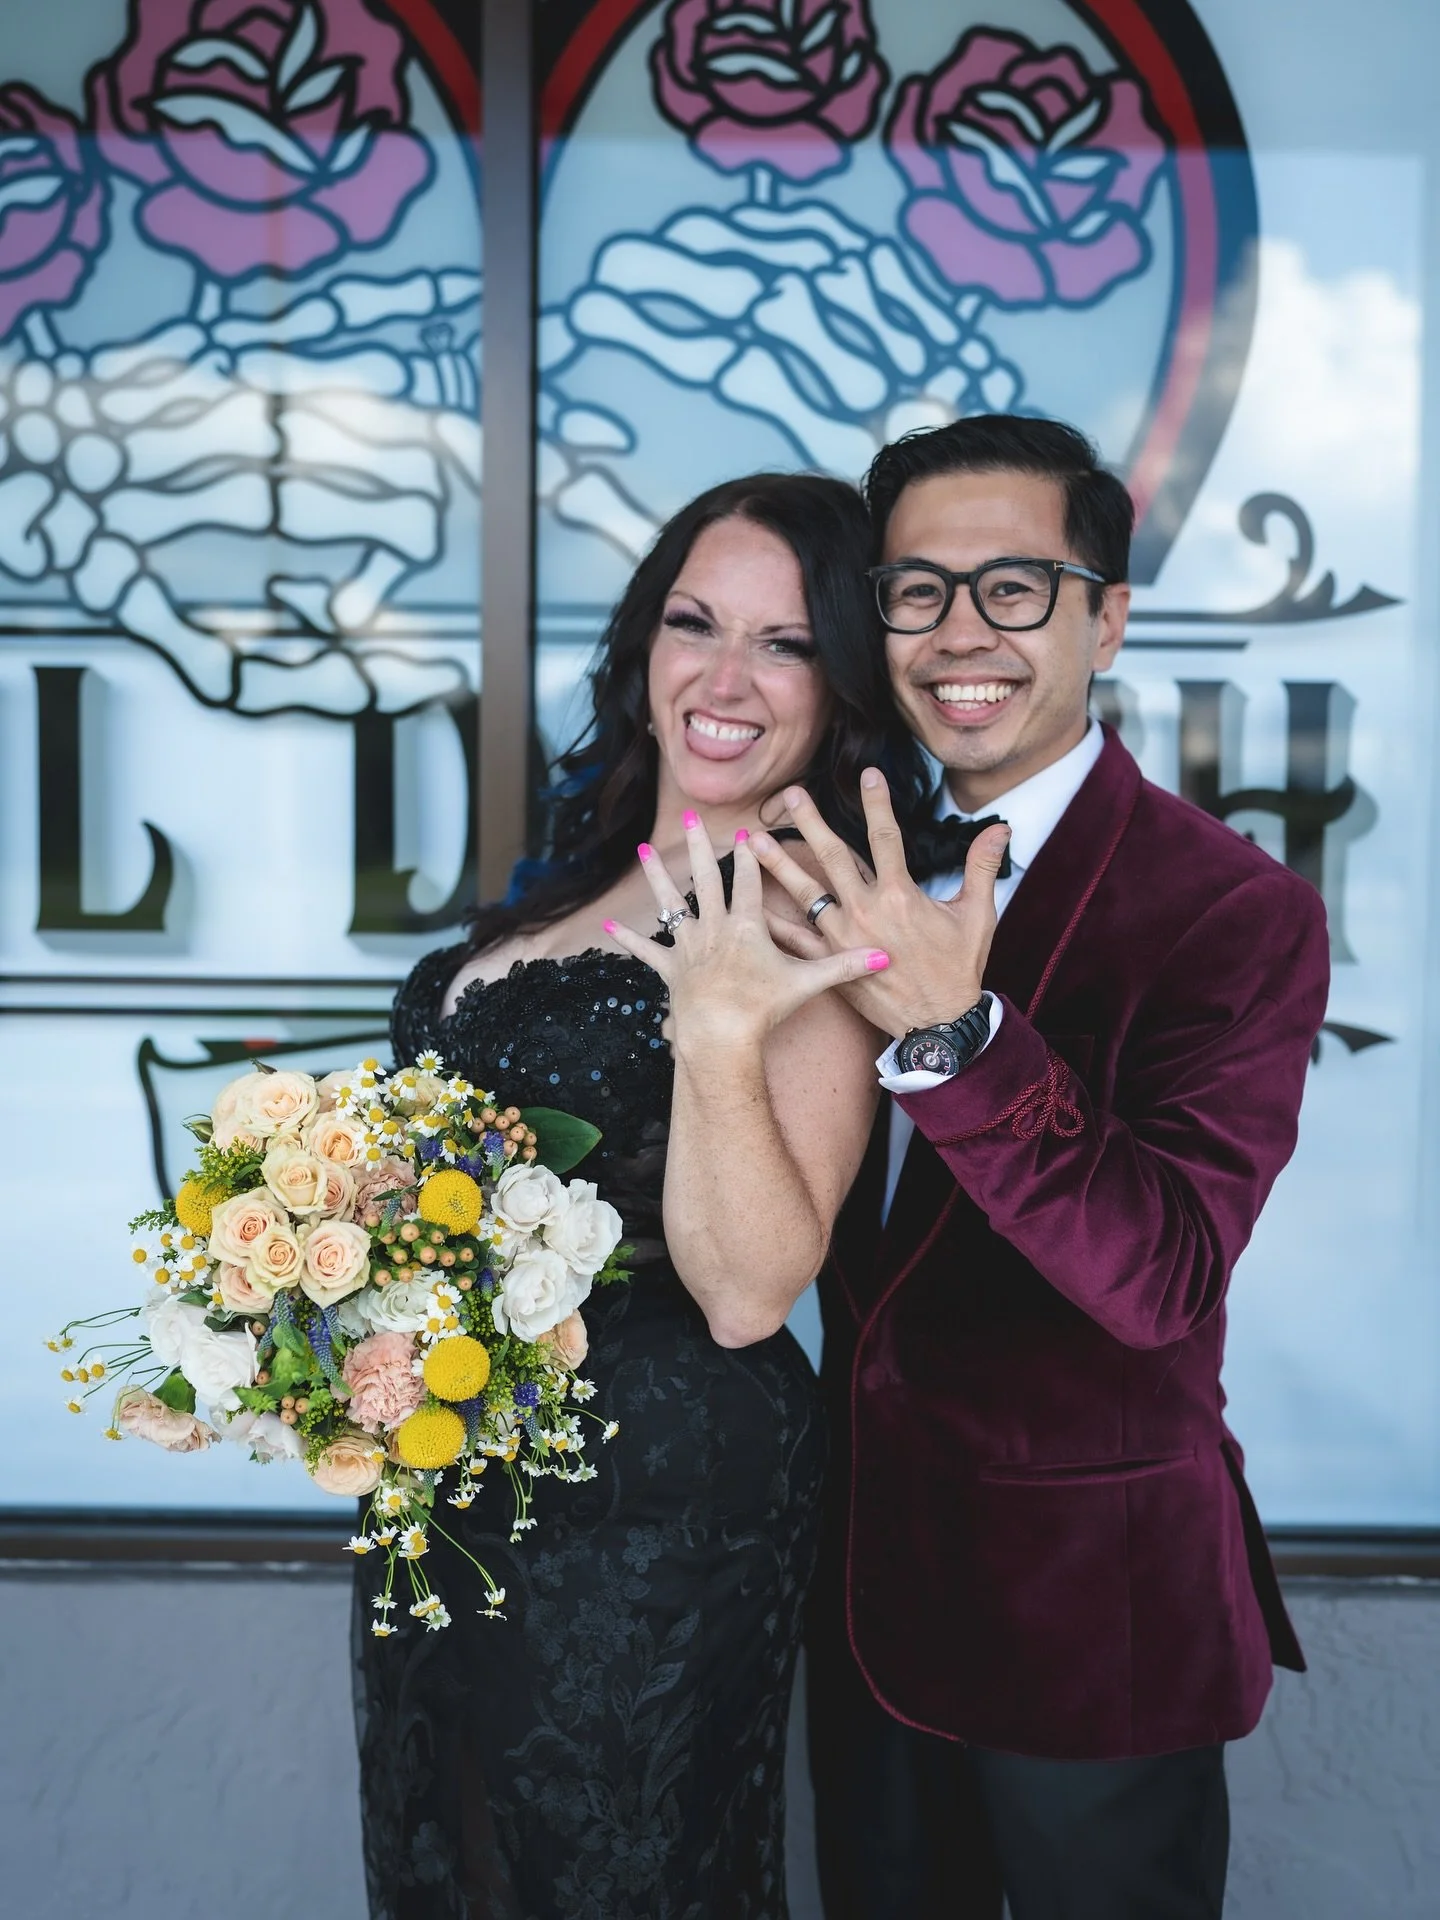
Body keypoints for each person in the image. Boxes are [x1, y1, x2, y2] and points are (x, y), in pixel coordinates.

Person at [753, 416, 1331, 1920]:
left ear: (1106, 619)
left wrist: (960, 1037)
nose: (961, 634)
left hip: (1095, 1614)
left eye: (1014, 588)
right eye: (917, 591)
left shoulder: (1232, 911)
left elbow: (1162, 1276)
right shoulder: (836, 859)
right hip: (865, 1601)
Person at [353, 472, 927, 1920]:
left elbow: (749, 1293)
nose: (725, 679)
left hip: (655, 1504)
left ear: (843, 689)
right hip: (451, 1474)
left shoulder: (807, 916)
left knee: (620, 1877)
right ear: (643, 642)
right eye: (695, 622)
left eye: (785, 644)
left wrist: (719, 1031)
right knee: (452, 1855)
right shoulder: (579, 876)